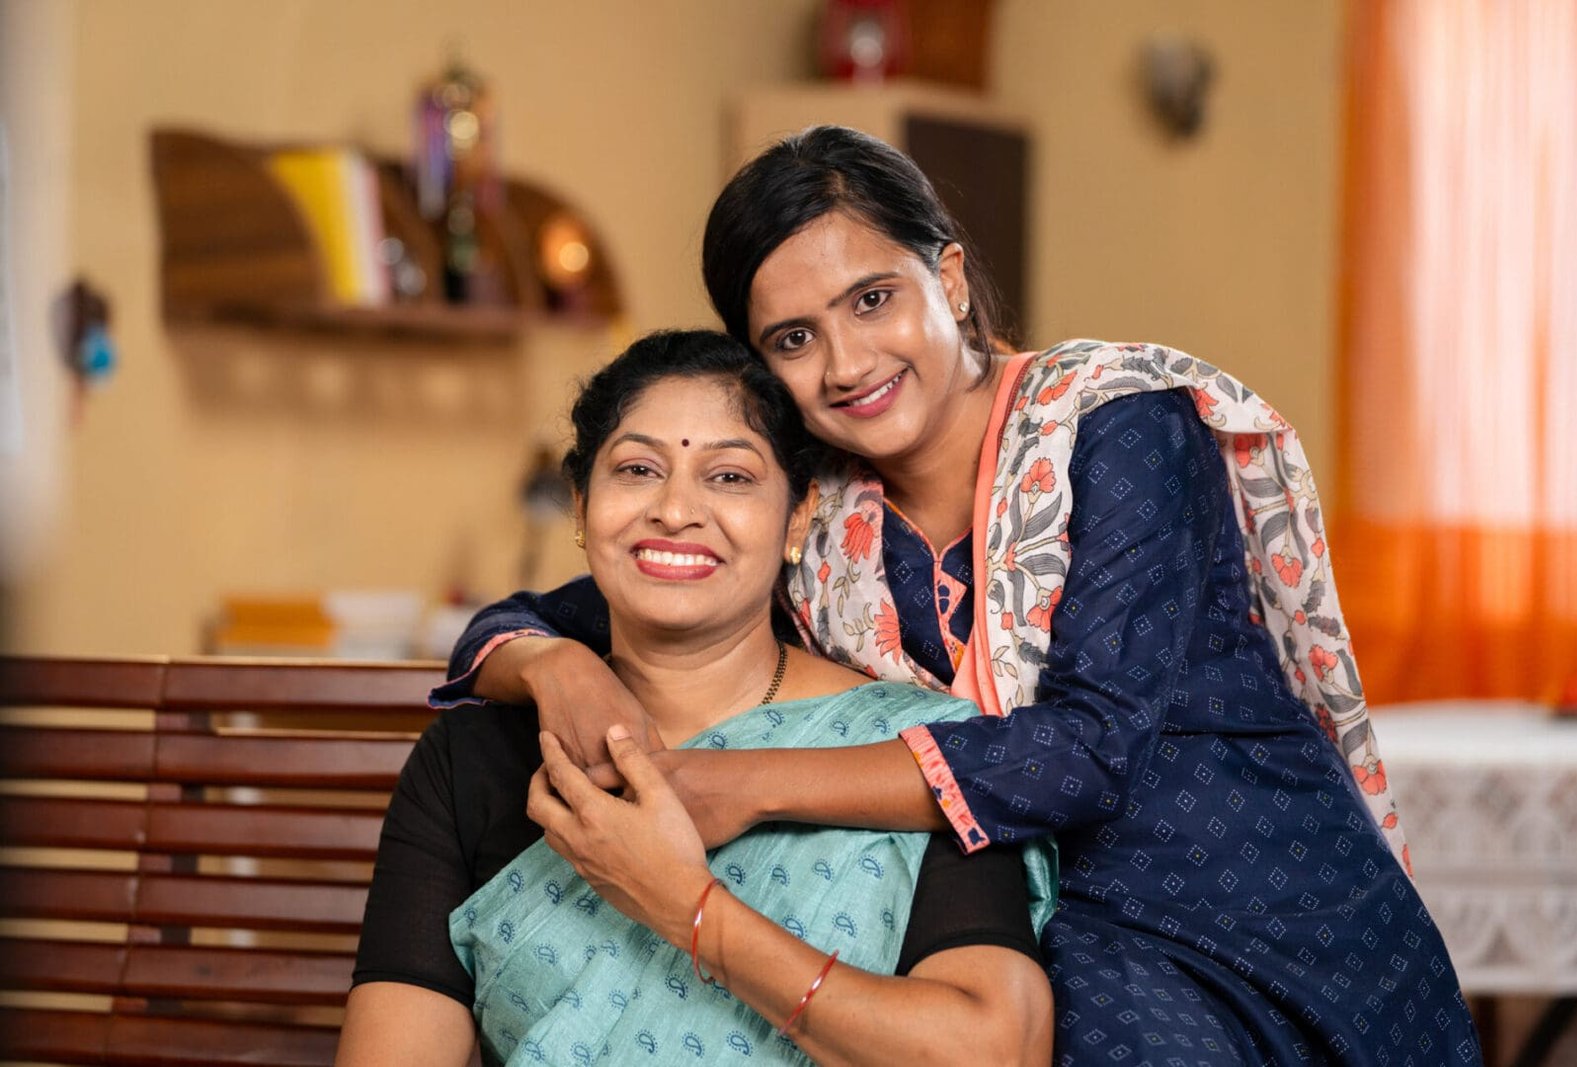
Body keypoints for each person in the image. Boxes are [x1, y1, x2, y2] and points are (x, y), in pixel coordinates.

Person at [439, 128, 1482, 1065]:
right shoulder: (815, 518)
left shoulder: (1114, 426)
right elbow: (562, 602)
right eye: (791, 339)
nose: (846, 362)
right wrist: (555, 664)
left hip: (1261, 907)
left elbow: (1086, 750)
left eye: (872, 299)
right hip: (1042, 929)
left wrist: (744, 785)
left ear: (949, 276)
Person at [337, 329, 1057, 1067]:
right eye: (639, 469)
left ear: (798, 517)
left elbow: (994, 1053)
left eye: (731, 477)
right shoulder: (476, 758)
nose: (676, 509)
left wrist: (686, 904)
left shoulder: (916, 758)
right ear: (582, 507)